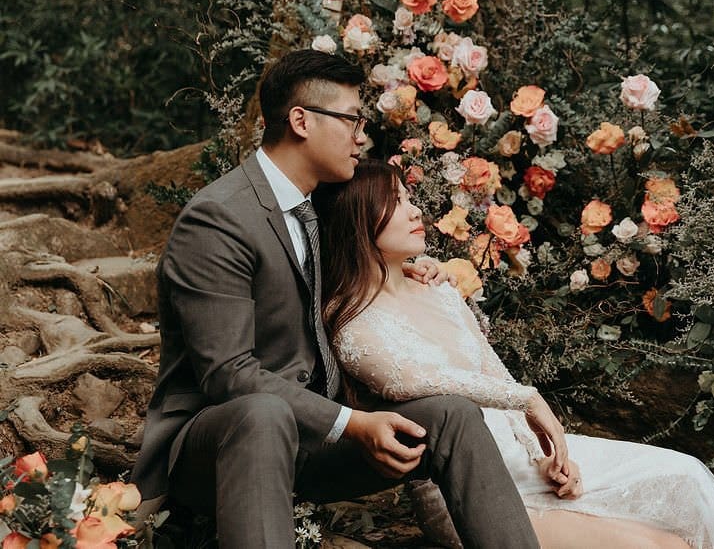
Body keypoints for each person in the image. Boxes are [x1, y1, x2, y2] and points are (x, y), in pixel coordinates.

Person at [131, 50, 541, 548]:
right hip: (220, 445)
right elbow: (229, 375)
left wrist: (410, 270)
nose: (361, 135)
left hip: (313, 442)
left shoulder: (318, 205)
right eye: (351, 119)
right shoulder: (218, 220)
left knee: (452, 414)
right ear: (300, 121)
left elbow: (356, 264)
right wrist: (353, 423)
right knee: (263, 413)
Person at [315, 160, 714, 549]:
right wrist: (529, 399)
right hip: (471, 485)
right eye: (396, 202)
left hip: (525, 455)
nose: (415, 210)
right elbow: (411, 381)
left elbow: (493, 370)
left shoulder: (436, 289)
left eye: (409, 198)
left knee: (688, 476)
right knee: (666, 545)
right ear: (357, 217)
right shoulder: (350, 316)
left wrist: (553, 453)